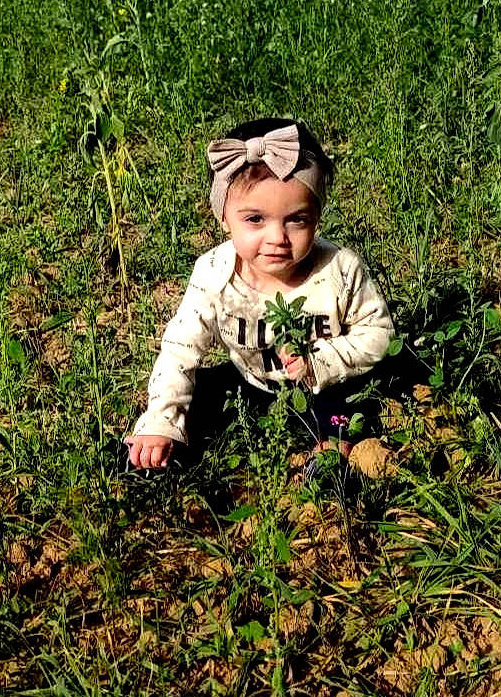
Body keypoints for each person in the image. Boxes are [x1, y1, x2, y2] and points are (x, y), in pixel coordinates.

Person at [125, 117, 394, 471]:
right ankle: (159, 448)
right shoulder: (214, 274)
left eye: (297, 220)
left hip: (323, 385)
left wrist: (321, 360)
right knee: (201, 390)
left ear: (317, 215)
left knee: (348, 403)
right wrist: (162, 416)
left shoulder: (339, 269)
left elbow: (380, 334)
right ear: (223, 217)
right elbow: (181, 347)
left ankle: (330, 462)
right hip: (250, 381)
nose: (277, 238)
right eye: (255, 219)